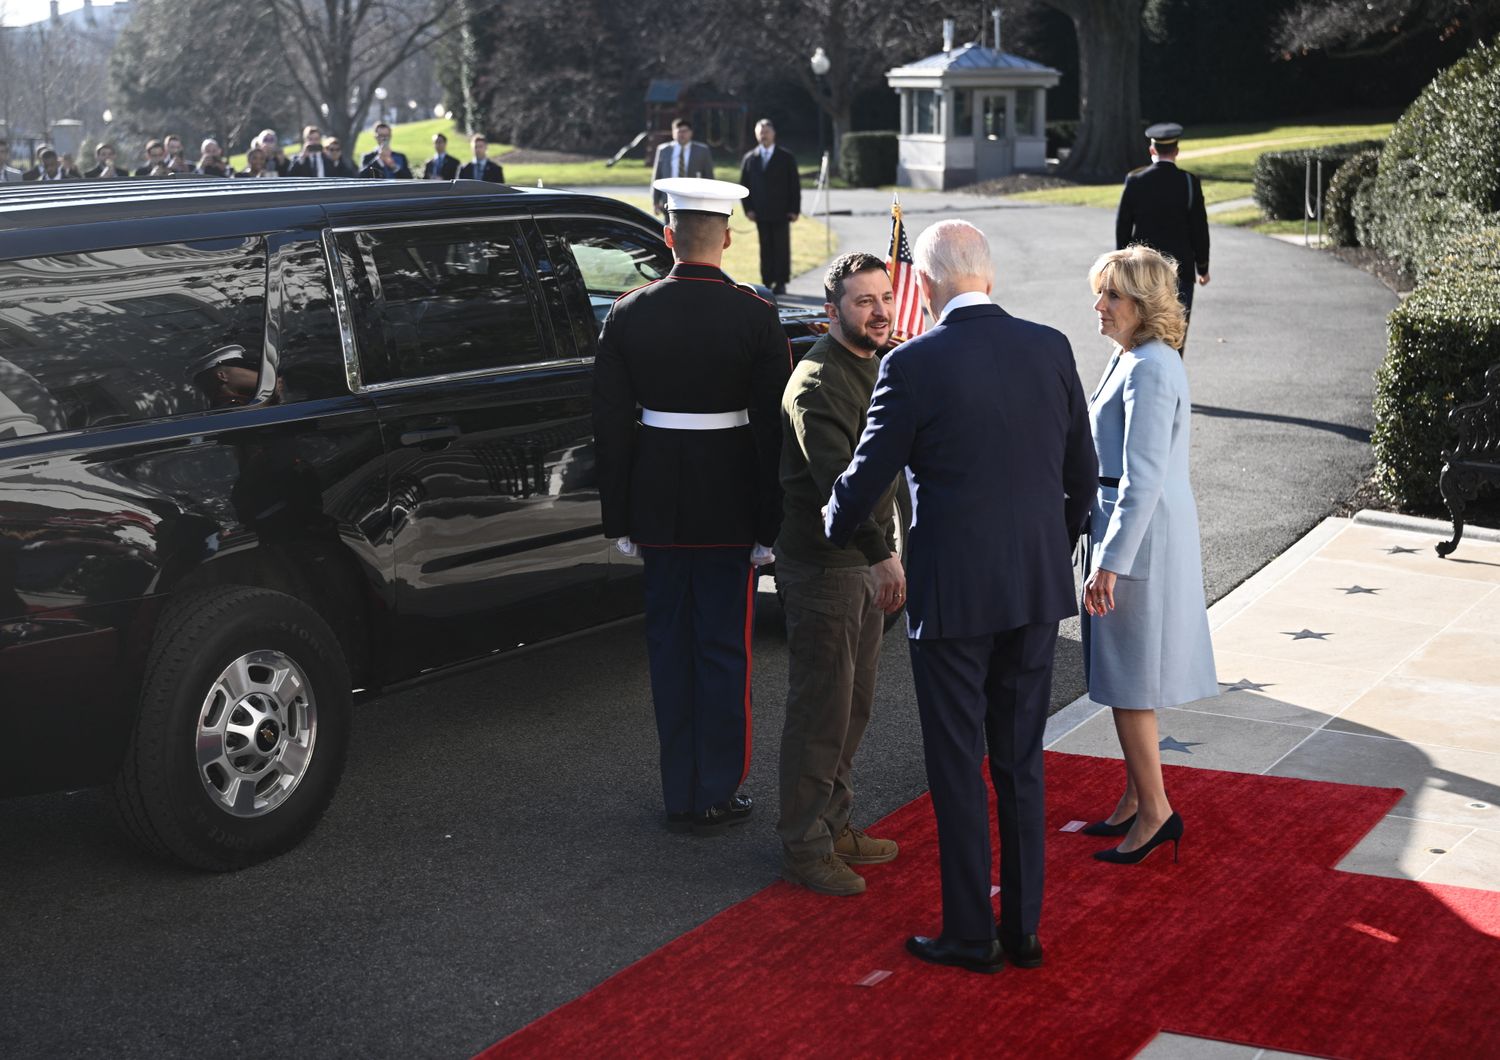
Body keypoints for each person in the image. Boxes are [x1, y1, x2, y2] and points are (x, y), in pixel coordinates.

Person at [825, 219, 1097, 974]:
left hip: (952, 599)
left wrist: (831, 522)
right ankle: (1025, 930)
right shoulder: (1051, 346)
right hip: (1036, 590)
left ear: (929, 285)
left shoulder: (913, 364)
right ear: (989, 276)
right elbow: (1083, 476)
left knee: (956, 767)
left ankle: (970, 934)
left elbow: (867, 475)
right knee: (1020, 764)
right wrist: (1049, 545)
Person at [593, 176, 789, 837]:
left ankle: (681, 791)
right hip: (730, 506)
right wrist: (771, 525)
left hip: (657, 507)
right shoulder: (756, 316)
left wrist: (619, 518)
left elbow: (612, 426)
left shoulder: (628, 313)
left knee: (669, 650)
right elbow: (772, 432)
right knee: (723, 652)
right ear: (727, 239)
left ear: (669, 238)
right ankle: (716, 789)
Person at [1080, 245, 1218, 864]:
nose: (1099, 305)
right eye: (1100, 292)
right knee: (1121, 673)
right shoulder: (1130, 356)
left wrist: (1111, 562)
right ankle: (1138, 798)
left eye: (1111, 295)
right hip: (1123, 523)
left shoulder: (1152, 367)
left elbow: (1143, 478)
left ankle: (1157, 812)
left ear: (1142, 303)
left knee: (1131, 678)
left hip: (1139, 534)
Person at [775, 252, 903, 897]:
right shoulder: (818, 383)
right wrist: (883, 553)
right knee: (821, 710)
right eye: (863, 301)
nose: (880, 311)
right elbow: (838, 486)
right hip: (827, 567)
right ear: (832, 313)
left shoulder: (877, 365)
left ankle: (833, 823)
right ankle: (803, 845)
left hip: (863, 561)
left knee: (853, 707)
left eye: (884, 297)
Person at [1115, 123, 1210, 350]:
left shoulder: (1135, 180)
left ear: (1152, 151)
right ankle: (1172, 377)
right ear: (1176, 151)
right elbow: (1199, 227)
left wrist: (1122, 263)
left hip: (1143, 269)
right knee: (1175, 330)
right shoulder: (1188, 182)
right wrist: (1203, 267)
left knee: (1142, 327)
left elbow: (1123, 226)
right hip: (1181, 269)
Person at [738, 119, 801, 295]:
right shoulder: (750, 158)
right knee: (765, 247)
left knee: (781, 247)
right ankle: (767, 280)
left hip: (782, 212)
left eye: (766, 131)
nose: (763, 135)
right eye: (760, 132)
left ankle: (781, 281)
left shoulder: (786, 157)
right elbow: (744, 185)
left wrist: (794, 209)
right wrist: (748, 208)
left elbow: (794, 185)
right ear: (756, 134)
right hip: (760, 212)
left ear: (773, 133)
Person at [650, 119, 713, 216]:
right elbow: (657, 176)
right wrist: (655, 201)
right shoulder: (664, 150)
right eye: (679, 131)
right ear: (673, 133)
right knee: (669, 229)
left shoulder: (702, 151)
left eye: (685, 131)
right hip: (669, 200)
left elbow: (709, 177)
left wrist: (709, 201)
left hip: (693, 201)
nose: (682, 134)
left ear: (691, 133)